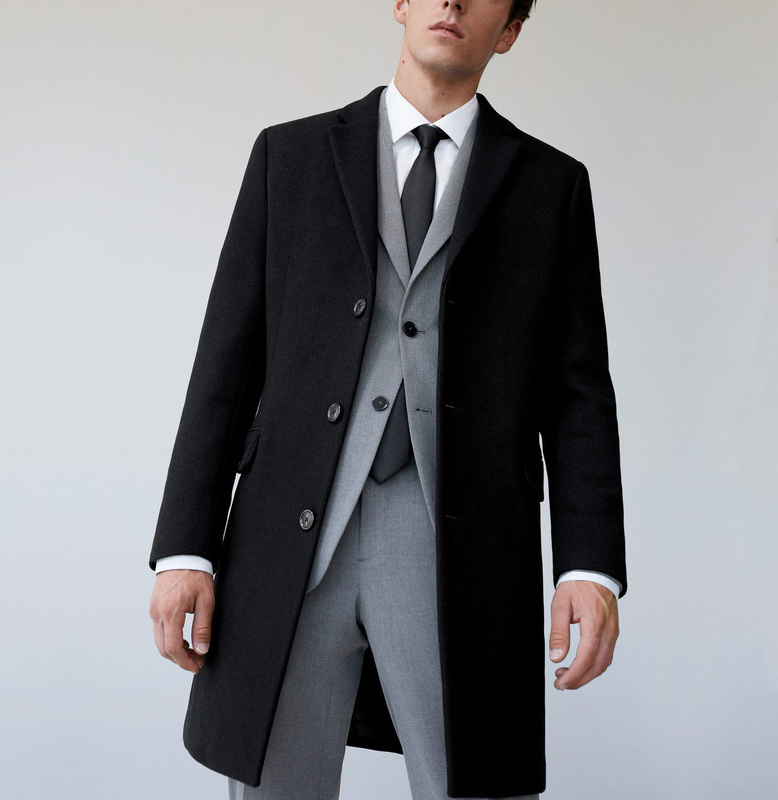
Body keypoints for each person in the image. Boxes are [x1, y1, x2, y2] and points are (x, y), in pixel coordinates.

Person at [149, 1, 627, 798]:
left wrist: (590, 566)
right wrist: (185, 549)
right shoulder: (289, 158)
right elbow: (226, 363)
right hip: (291, 537)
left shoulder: (550, 187)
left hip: (456, 541)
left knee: (472, 784)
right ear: (401, 2)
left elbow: (578, 394)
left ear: (510, 30)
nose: (453, 1)